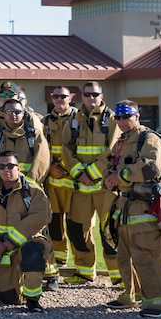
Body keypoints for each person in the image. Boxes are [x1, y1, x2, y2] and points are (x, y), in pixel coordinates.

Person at [102, 101, 161, 318]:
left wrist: (119, 176)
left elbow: (151, 167)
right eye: (118, 118)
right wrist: (107, 178)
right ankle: (131, 295)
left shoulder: (148, 139)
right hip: (124, 206)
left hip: (144, 206)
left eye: (126, 116)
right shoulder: (122, 141)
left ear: (137, 115)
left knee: (147, 254)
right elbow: (110, 164)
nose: (122, 121)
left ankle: (159, 304)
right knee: (125, 255)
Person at [0, 151, 52, 313]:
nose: (6, 169)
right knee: (7, 298)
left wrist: (13, 240)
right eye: (2, 166)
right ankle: (16, 288)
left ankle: (33, 300)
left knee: (33, 253)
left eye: (10, 166)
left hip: (27, 242)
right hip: (2, 251)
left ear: (19, 168)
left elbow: (41, 216)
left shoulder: (33, 191)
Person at [61, 81, 121, 286]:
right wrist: (79, 173)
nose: (91, 98)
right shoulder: (74, 120)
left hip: (105, 188)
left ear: (101, 95)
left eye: (95, 94)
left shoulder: (112, 119)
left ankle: (119, 276)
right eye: (87, 94)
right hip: (81, 188)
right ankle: (85, 272)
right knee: (78, 231)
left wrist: (92, 173)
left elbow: (113, 150)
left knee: (110, 231)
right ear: (82, 96)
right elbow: (66, 149)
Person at [42, 86, 78, 268]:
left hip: (74, 181)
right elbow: (40, 150)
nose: (58, 99)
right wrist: (50, 167)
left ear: (70, 98)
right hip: (52, 181)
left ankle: (84, 267)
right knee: (54, 223)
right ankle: (59, 260)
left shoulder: (79, 119)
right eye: (55, 96)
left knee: (76, 225)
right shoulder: (45, 121)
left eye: (62, 96)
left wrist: (63, 166)